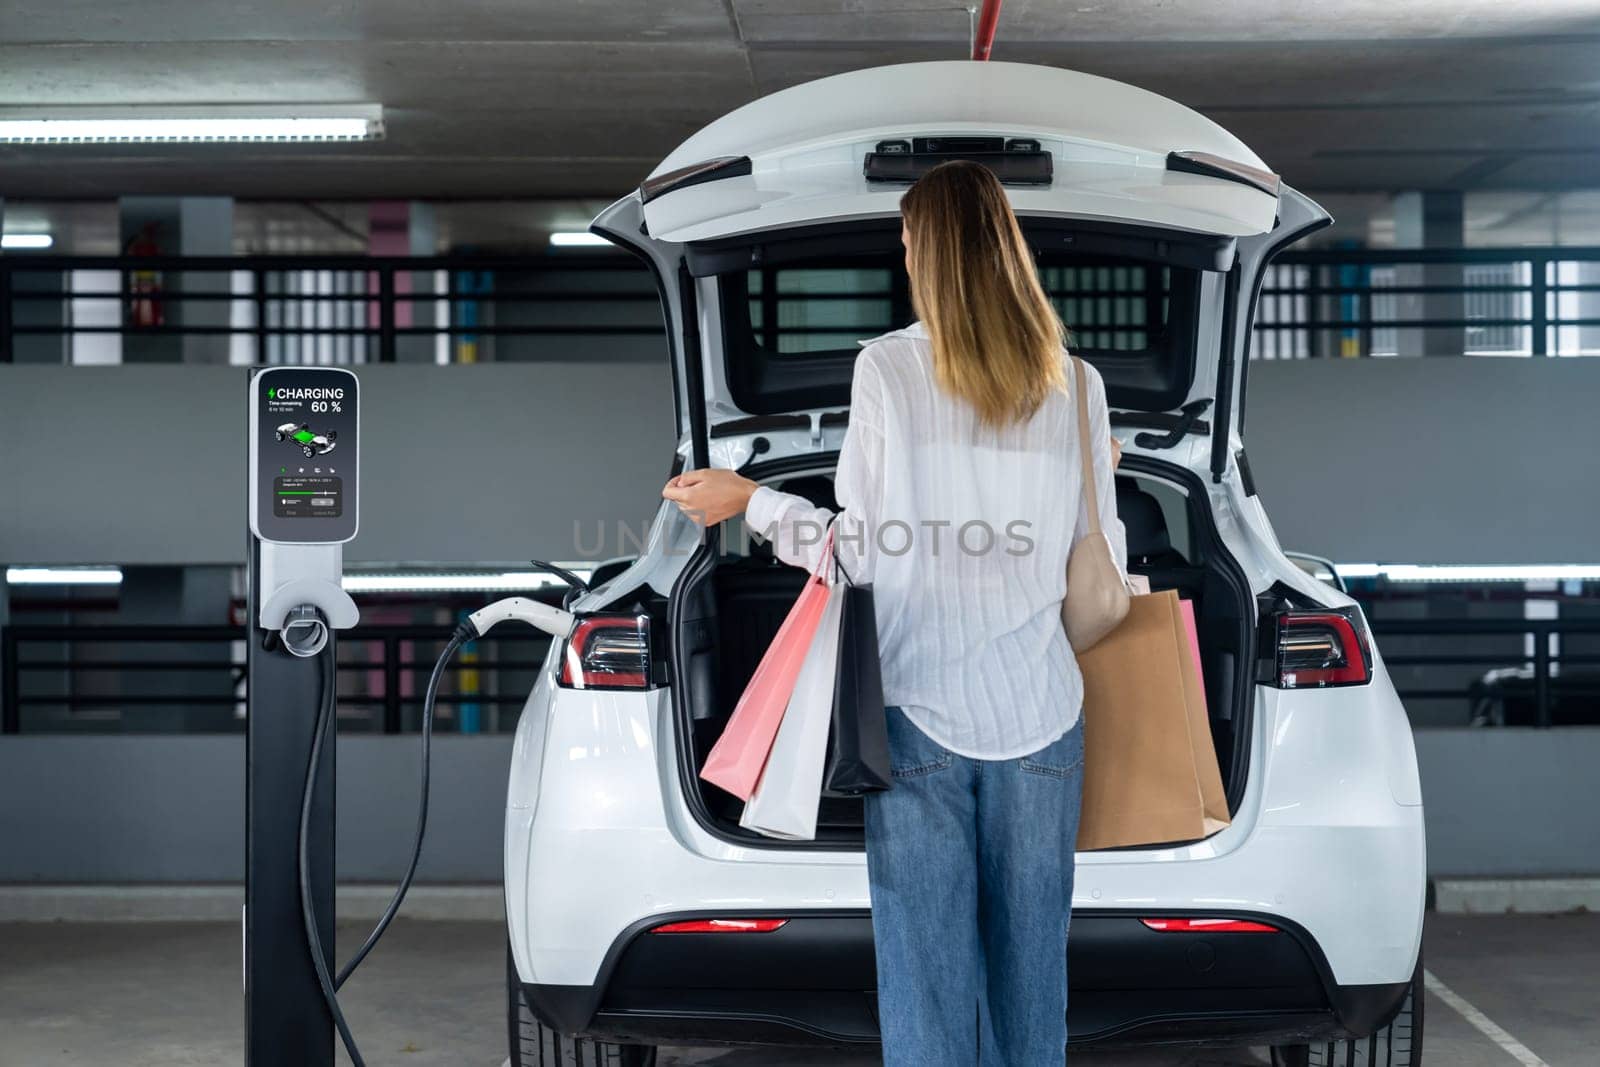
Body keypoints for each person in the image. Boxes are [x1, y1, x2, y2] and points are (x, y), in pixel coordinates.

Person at [661, 160, 1127, 1065]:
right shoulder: (1077, 383)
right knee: (1033, 982)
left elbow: (864, 552)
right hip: (1043, 717)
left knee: (926, 974)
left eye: (909, 239)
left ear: (930, 251)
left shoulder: (890, 369)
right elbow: (1098, 554)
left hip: (916, 714)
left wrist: (752, 501)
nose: (904, 253)